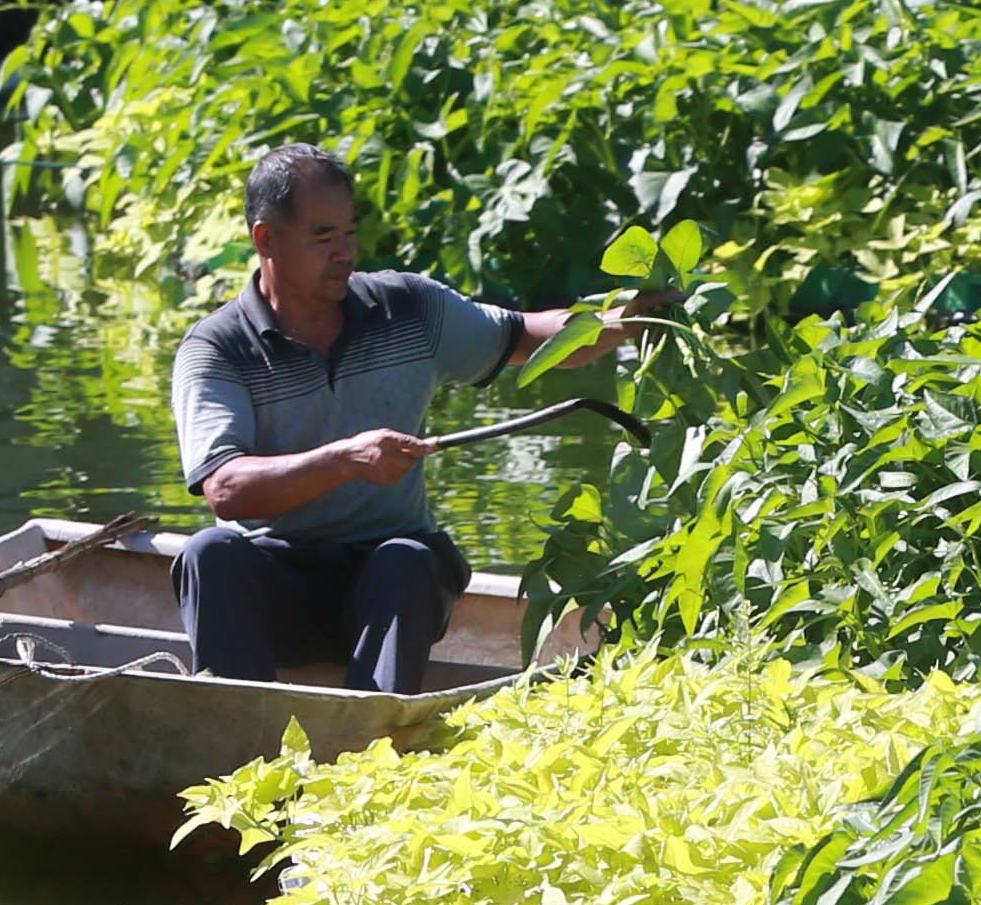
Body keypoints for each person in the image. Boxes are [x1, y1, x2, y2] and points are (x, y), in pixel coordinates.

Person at [166, 146, 632, 691]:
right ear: (266, 240)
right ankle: (239, 738)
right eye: (323, 237)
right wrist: (344, 460)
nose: (345, 252)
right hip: (278, 590)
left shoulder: (407, 308)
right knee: (208, 553)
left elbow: (529, 335)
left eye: (350, 233)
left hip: (393, 586)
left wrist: (630, 318)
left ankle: (373, 739)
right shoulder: (215, 348)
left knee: (408, 559)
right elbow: (226, 488)